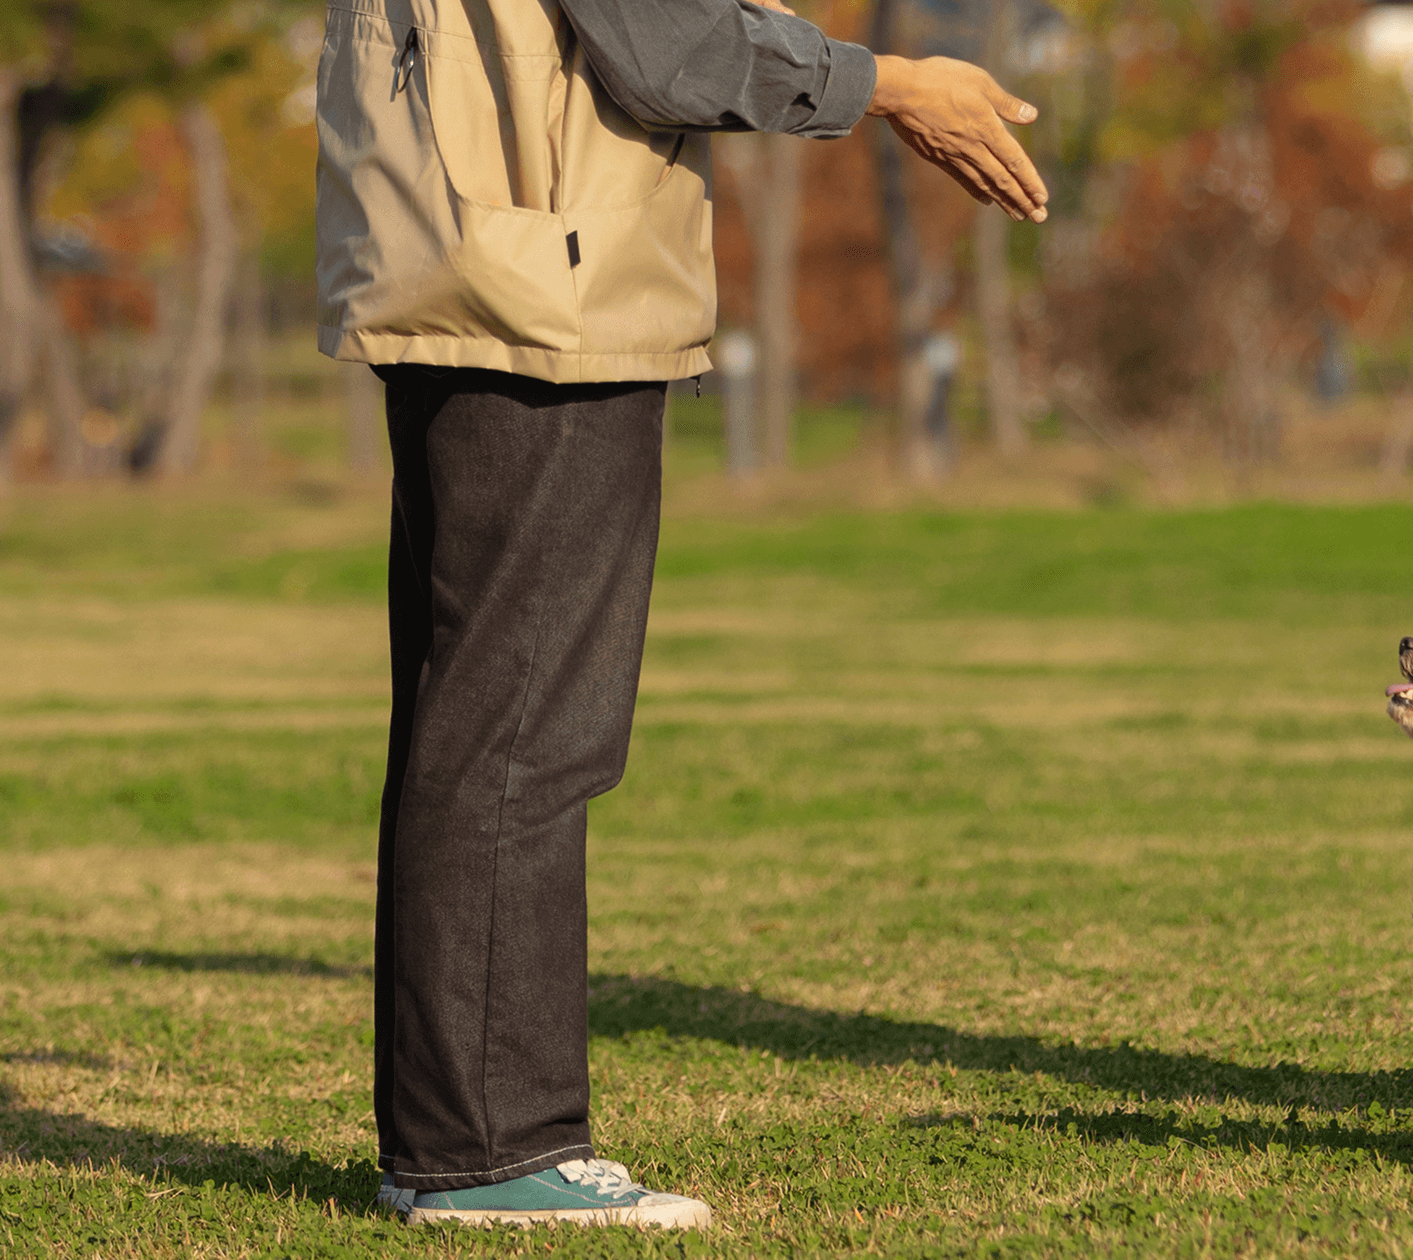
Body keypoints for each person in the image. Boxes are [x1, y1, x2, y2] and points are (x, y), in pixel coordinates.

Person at [316, 0, 1046, 1227]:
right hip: (549, 289)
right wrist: (893, 85)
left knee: (473, 723)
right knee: (525, 732)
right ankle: (490, 1153)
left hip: (463, 270)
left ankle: (451, 1147)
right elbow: (667, 44)